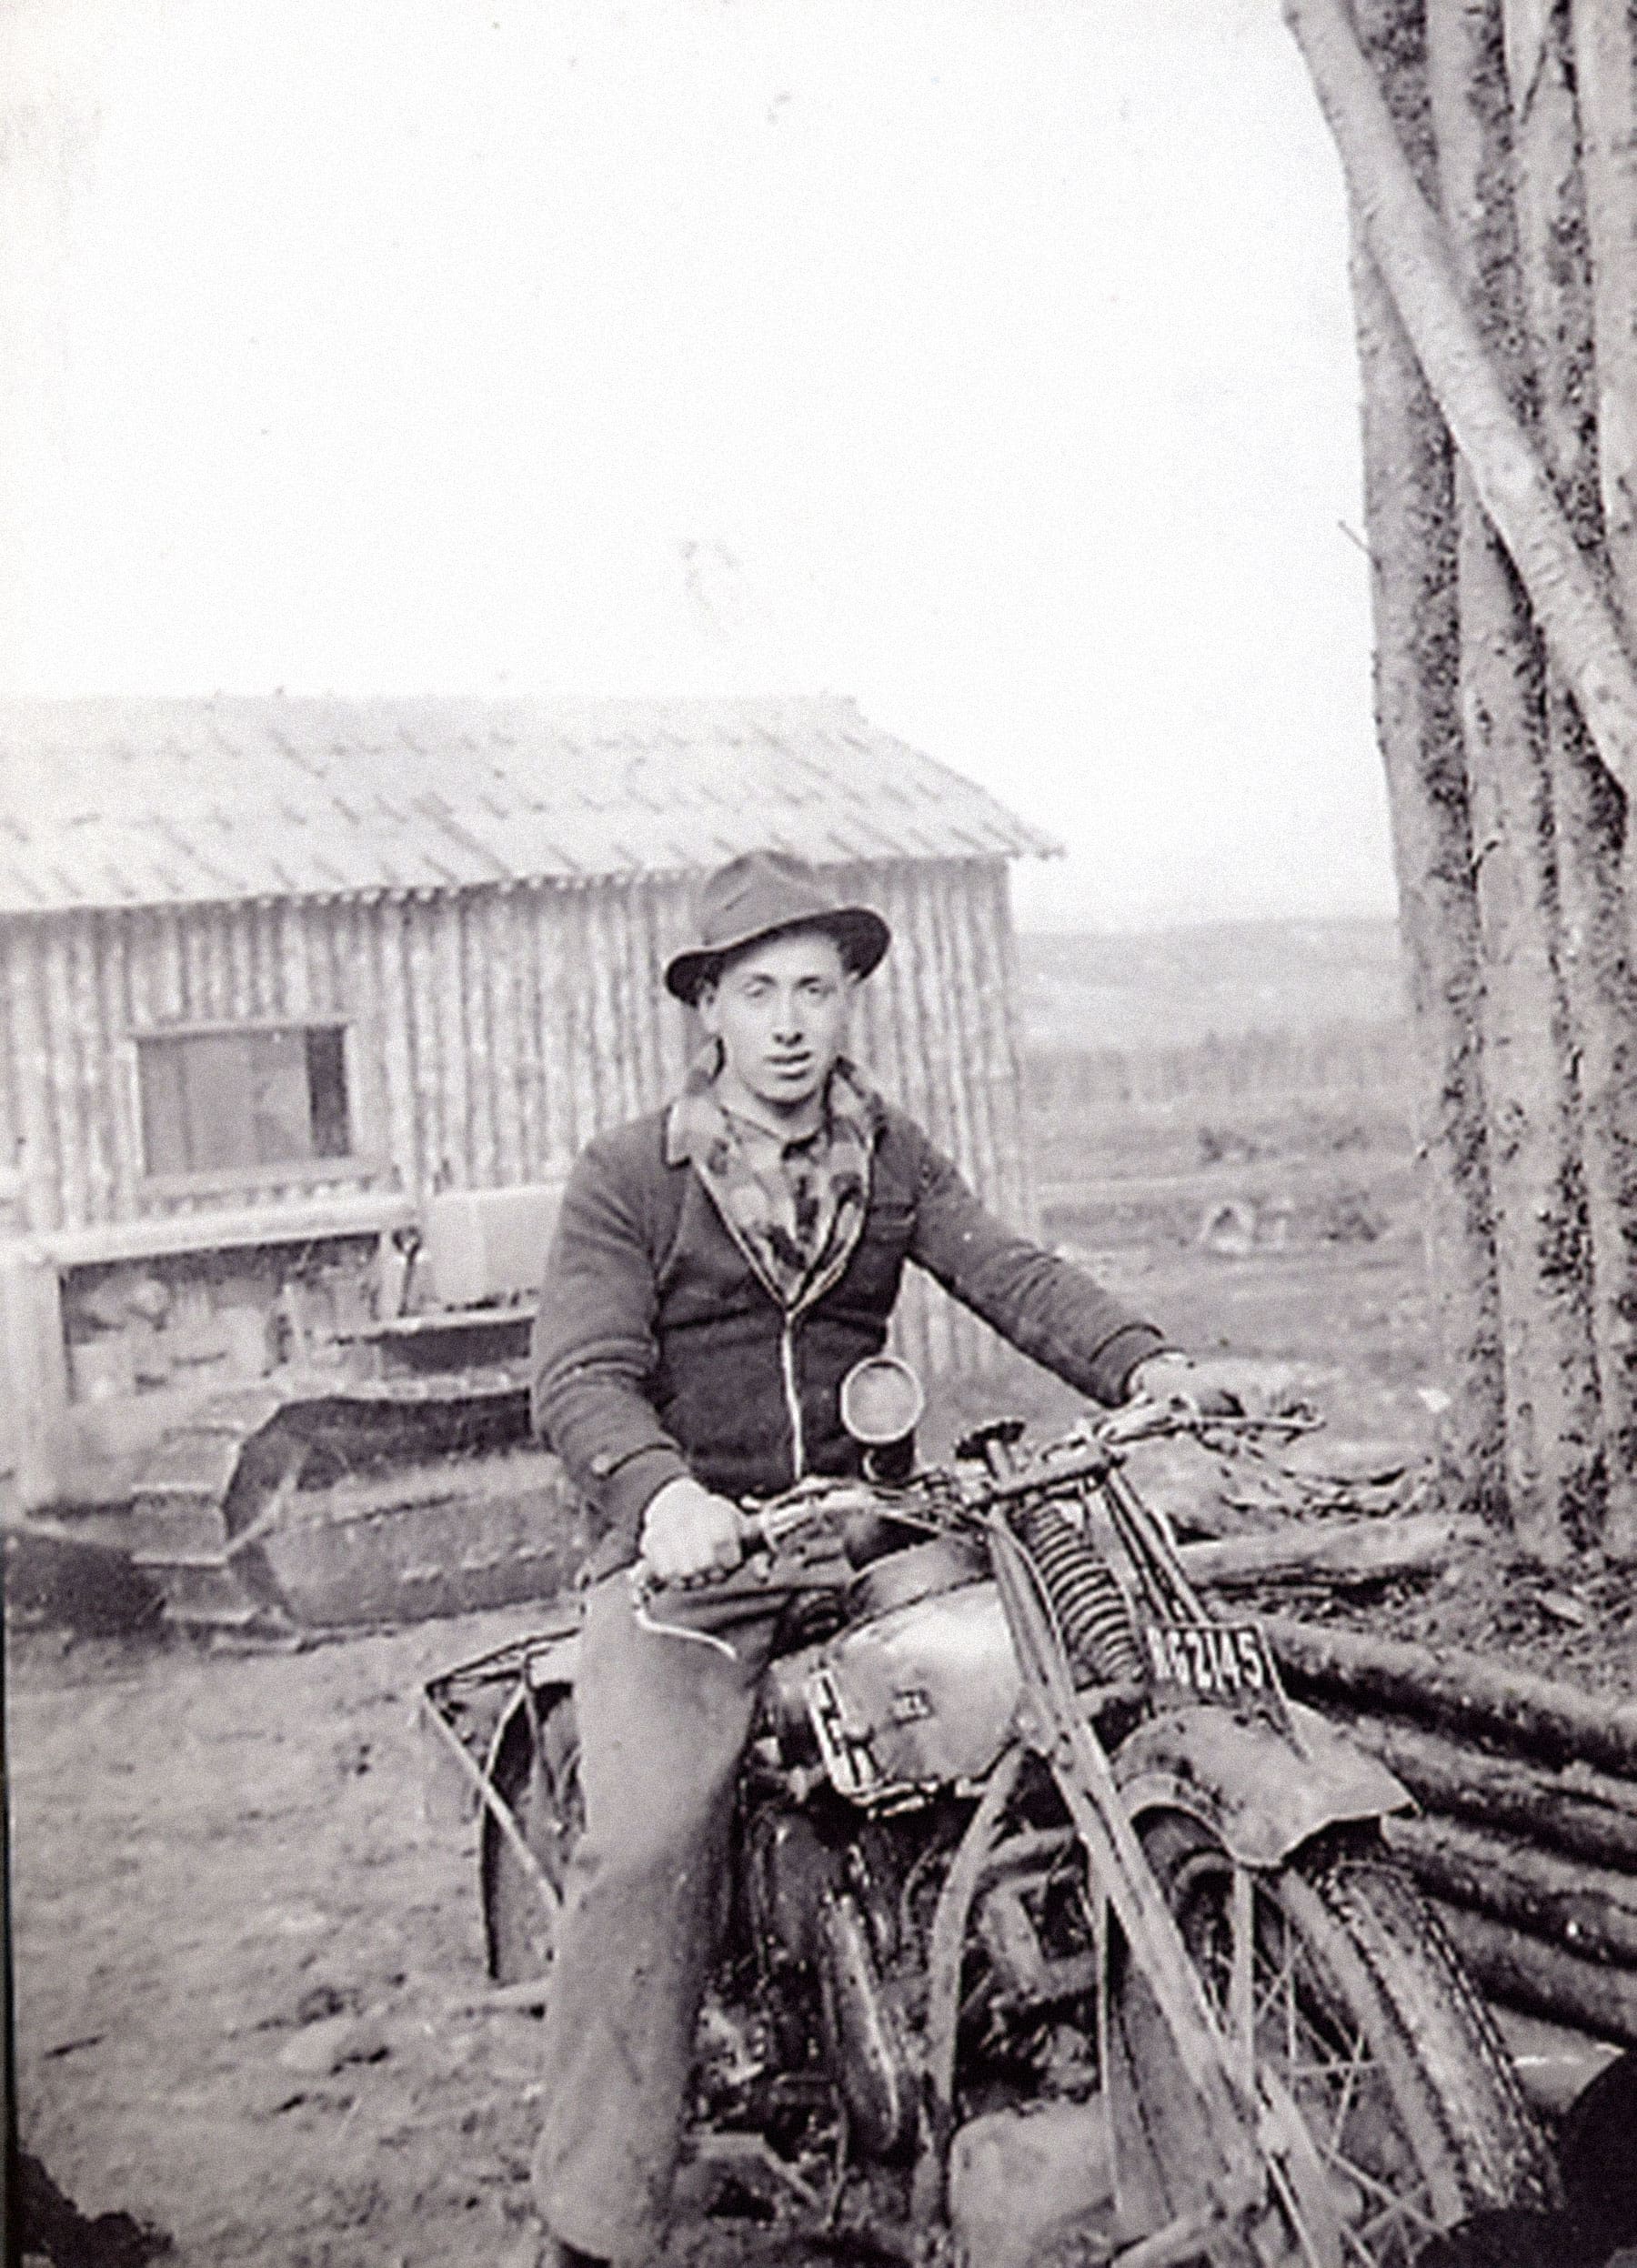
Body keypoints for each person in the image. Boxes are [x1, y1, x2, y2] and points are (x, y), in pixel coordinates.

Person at [527, 848, 1223, 2268]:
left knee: (1065, 1699)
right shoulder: (627, 1176)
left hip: (867, 1524)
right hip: (691, 1565)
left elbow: (1007, 1270)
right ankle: (589, 2223)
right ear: (707, 1009)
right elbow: (581, 1374)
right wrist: (660, 1496)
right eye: (760, 990)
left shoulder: (886, 1154)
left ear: (850, 1005)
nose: (791, 1020)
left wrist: (1144, 1362)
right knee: (651, 1844)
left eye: (819, 990)